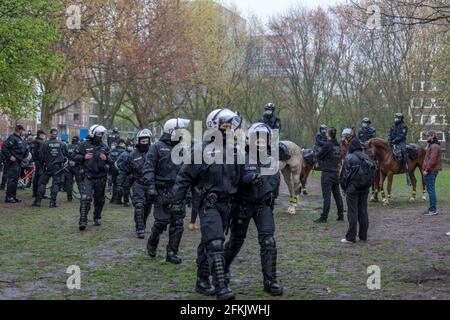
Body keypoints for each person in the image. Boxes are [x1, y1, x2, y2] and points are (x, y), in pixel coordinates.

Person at [169, 108, 243, 300]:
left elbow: (242, 179)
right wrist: (176, 204)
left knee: (209, 242)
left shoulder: (235, 151)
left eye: (229, 126)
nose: (227, 129)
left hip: (228, 205)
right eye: (224, 125)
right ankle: (221, 288)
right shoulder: (201, 150)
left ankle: (202, 282)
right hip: (208, 204)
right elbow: (183, 177)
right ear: (213, 126)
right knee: (216, 242)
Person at [224, 122, 283, 296]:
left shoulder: (272, 160)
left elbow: (275, 181)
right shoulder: (241, 156)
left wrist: (271, 197)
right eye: (258, 138)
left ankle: (270, 281)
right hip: (243, 205)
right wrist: (249, 179)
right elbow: (234, 180)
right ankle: (223, 270)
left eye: (264, 139)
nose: (261, 142)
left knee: (268, 241)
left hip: (263, 206)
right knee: (236, 241)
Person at [144, 118, 190, 263]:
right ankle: (152, 241)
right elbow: (148, 168)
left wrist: (189, 191)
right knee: (161, 222)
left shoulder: (183, 148)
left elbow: (188, 171)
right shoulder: (156, 147)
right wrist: (150, 188)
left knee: (178, 224)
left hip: (178, 190)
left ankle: (171, 253)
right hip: (161, 190)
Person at [72, 125, 112, 231]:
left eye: (102, 134)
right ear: (92, 133)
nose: (100, 136)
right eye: (98, 134)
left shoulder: (105, 147)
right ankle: (83, 220)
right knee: (85, 199)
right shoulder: (83, 144)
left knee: (99, 200)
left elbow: (112, 161)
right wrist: (83, 157)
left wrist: (106, 158)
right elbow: (72, 156)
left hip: (101, 178)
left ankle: (97, 217)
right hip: (87, 177)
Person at [118, 129, 153, 239]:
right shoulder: (131, 155)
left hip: (151, 184)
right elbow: (123, 170)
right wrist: (119, 184)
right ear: (138, 141)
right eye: (142, 141)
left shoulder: (154, 152)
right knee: (139, 205)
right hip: (138, 183)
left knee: (147, 207)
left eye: (146, 140)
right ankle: (140, 229)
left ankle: (142, 222)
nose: (145, 142)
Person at [340, 138, 371, 243]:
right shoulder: (367, 157)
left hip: (352, 189)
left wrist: (344, 187)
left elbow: (345, 175)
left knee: (352, 212)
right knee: (363, 212)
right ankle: (363, 236)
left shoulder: (349, 158)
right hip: (365, 188)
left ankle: (350, 237)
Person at [314, 127, 344, 223]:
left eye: (327, 133)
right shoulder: (338, 145)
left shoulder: (327, 145)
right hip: (336, 172)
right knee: (337, 195)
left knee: (326, 196)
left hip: (327, 173)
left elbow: (319, 155)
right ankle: (341, 215)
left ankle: (324, 217)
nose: (326, 134)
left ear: (329, 134)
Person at [32, 128, 67, 208]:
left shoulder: (45, 144)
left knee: (42, 183)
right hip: (58, 167)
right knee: (56, 184)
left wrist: (42, 164)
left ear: (50, 134)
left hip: (47, 166)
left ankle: (38, 201)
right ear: (56, 134)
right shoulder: (62, 144)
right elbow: (66, 155)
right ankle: (52, 203)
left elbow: (41, 156)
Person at [2, 125, 29, 203]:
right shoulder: (12, 138)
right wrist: (10, 156)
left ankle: (13, 196)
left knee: (16, 180)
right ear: (19, 130)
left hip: (19, 162)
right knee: (12, 179)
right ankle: (9, 197)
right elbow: (4, 148)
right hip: (13, 163)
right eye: (22, 130)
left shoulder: (20, 138)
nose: (23, 131)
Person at [422, 131, 442, 216]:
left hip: (431, 170)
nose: (426, 137)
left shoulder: (434, 146)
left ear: (432, 136)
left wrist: (426, 169)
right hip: (431, 170)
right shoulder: (432, 145)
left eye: (427, 136)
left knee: (431, 190)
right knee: (430, 190)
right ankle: (432, 209)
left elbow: (432, 160)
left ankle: (433, 210)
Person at [64, 136, 83, 202]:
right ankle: (82, 196)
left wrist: (69, 161)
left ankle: (69, 198)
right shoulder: (79, 147)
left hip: (69, 166)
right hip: (77, 167)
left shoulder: (68, 146)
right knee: (79, 182)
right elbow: (81, 157)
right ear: (78, 140)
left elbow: (65, 155)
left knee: (69, 183)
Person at [116, 142, 134, 207]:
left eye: (131, 145)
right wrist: (122, 167)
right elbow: (118, 163)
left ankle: (127, 201)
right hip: (123, 172)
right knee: (120, 187)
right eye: (129, 145)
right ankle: (120, 200)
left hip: (131, 173)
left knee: (127, 188)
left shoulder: (134, 153)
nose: (130, 147)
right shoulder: (123, 154)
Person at [109, 139, 126, 204]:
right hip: (121, 170)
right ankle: (118, 200)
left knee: (114, 185)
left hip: (113, 170)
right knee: (120, 184)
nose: (124, 144)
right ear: (120, 143)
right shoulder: (123, 151)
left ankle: (113, 199)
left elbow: (110, 159)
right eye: (123, 143)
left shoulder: (113, 150)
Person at [31, 130, 46, 199]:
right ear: (41, 135)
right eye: (44, 135)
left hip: (35, 161)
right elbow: (41, 154)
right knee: (41, 178)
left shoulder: (33, 142)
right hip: (41, 162)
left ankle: (35, 192)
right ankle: (40, 194)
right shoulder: (41, 142)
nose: (45, 136)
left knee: (36, 178)